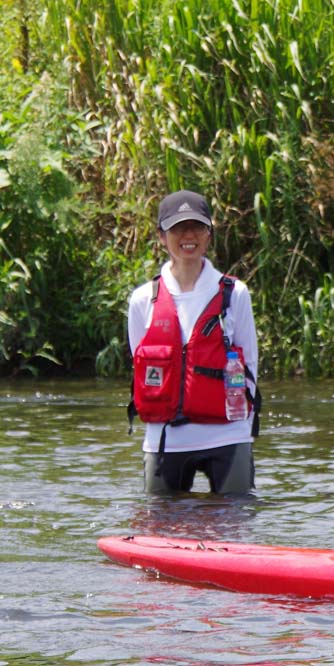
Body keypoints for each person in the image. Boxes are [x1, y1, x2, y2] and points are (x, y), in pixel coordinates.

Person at [127, 189, 261, 494]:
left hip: (228, 437)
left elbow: (249, 364)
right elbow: (139, 363)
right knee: (160, 531)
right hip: (164, 438)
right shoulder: (142, 300)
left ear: (209, 235)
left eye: (197, 227)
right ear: (162, 236)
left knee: (236, 527)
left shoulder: (234, 293)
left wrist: (242, 427)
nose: (188, 236)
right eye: (177, 228)